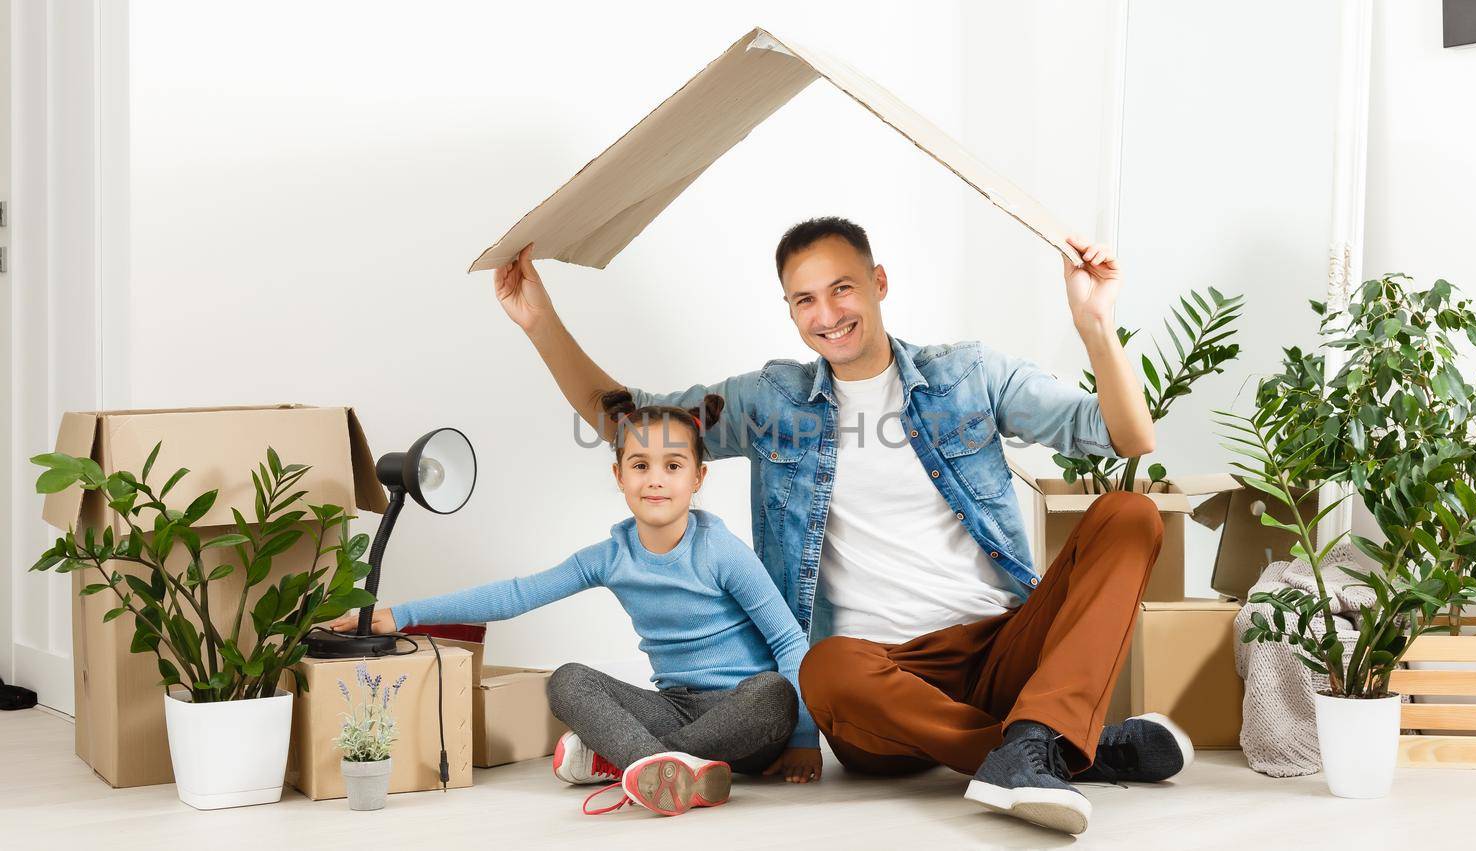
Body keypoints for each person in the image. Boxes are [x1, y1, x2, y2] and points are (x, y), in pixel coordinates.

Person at [494, 216, 1188, 835]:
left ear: (879, 281)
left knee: (1129, 514)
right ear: (791, 311)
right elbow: (629, 421)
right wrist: (539, 322)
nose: (827, 313)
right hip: (879, 684)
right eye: (805, 299)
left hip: (1006, 650)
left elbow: (1126, 436)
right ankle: (1058, 745)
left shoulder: (968, 376)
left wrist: (1095, 322)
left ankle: (1035, 738)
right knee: (824, 665)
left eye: (843, 288)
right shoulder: (771, 403)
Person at [330, 393, 820, 817]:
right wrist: (400, 615)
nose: (655, 480)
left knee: (773, 691)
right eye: (640, 466)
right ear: (619, 475)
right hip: (674, 708)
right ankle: (668, 770)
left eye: (673, 466)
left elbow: (787, 639)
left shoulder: (719, 549)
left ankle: (634, 762)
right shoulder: (611, 556)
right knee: (567, 679)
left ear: (698, 478)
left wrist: (803, 740)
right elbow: (518, 594)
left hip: (745, 720)